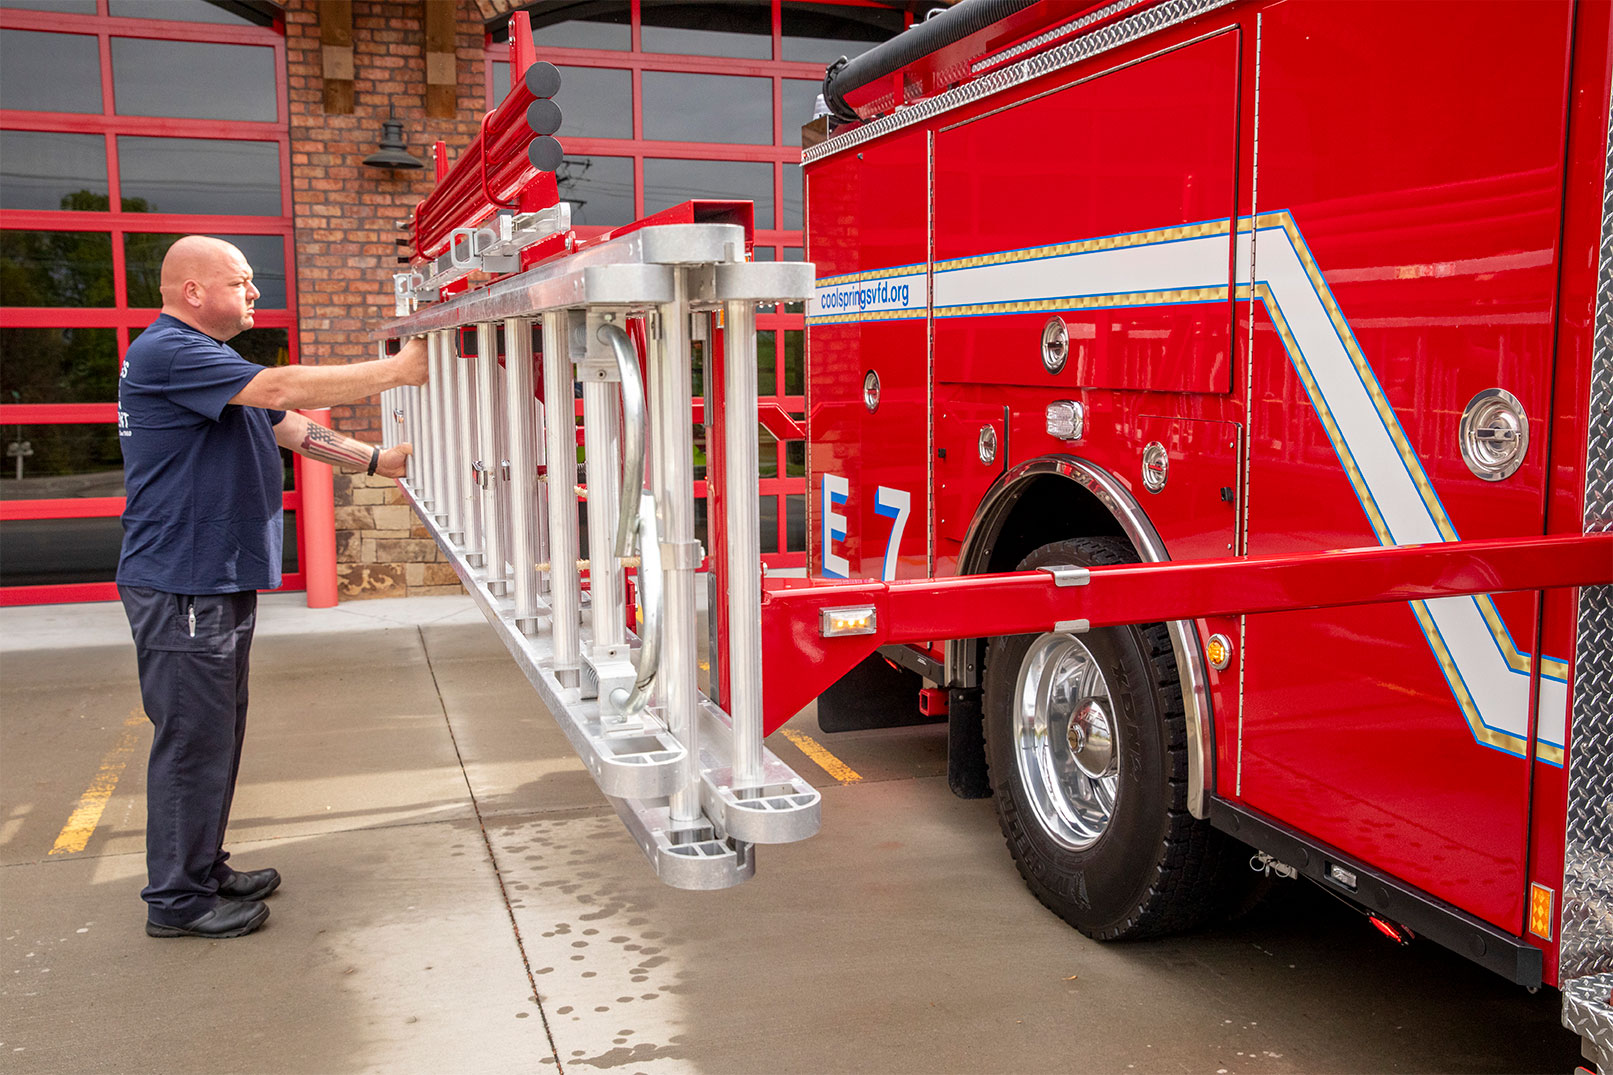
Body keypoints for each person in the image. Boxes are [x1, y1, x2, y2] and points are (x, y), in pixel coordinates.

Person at [117, 235, 427, 939]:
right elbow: (283, 389)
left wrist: (378, 461)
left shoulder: (211, 364)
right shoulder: (169, 349)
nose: (255, 292)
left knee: (216, 730)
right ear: (194, 291)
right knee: (193, 738)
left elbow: (287, 426)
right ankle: (177, 900)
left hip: (209, 579)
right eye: (243, 280)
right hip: (184, 583)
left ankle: (202, 866)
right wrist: (398, 370)